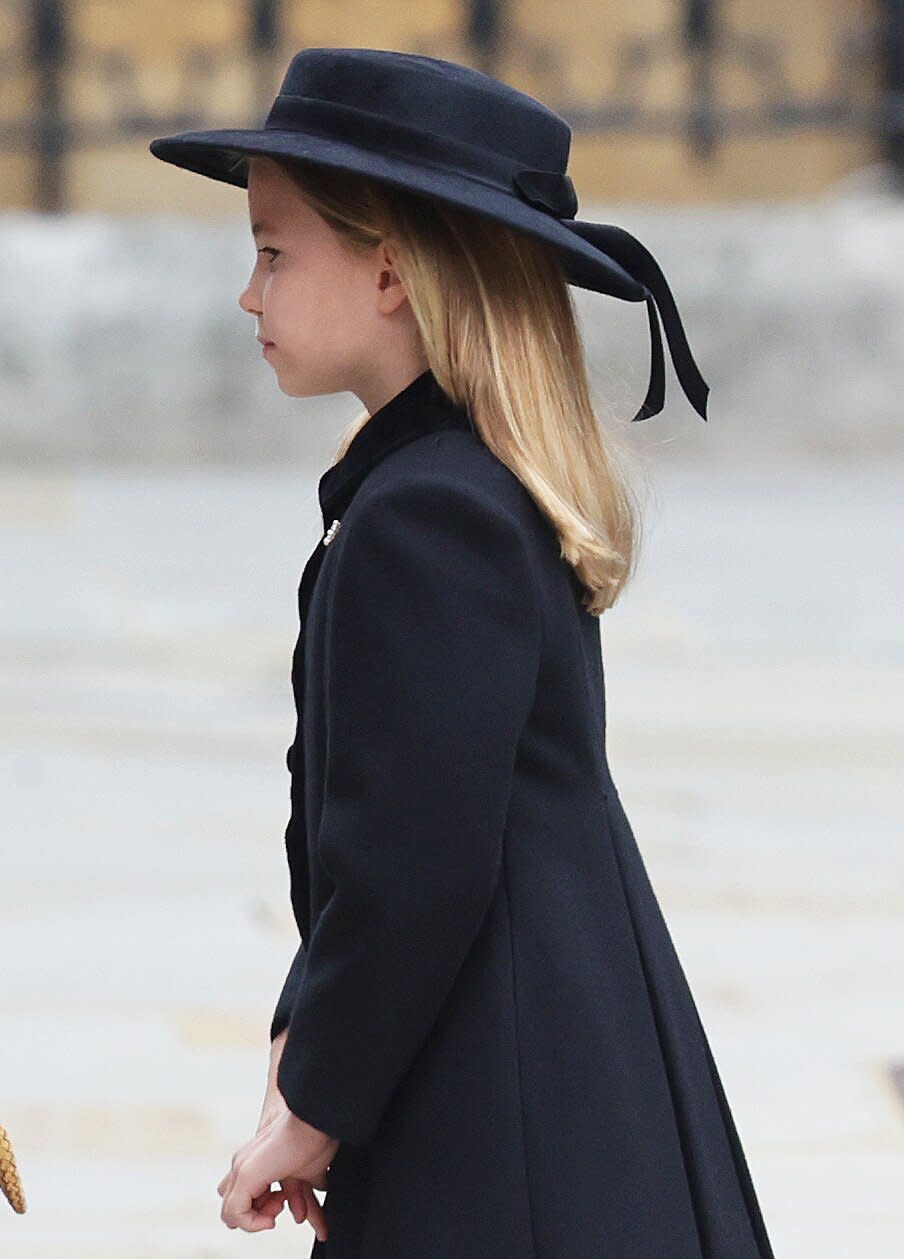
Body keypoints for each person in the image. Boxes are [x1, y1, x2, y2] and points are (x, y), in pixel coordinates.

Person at [150, 46, 775, 1258]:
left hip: (498, 1108)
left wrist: (315, 1103)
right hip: (528, 1057)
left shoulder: (425, 516)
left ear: (389, 271)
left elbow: (414, 865)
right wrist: (305, 1036)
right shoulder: (447, 486)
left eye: (274, 252)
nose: (248, 293)